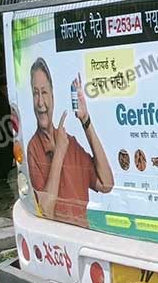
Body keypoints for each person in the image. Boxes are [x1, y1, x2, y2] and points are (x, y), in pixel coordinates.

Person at [26, 58, 114, 227]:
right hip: (58, 246)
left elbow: (106, 183)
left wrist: (86, 120)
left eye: (44, 92)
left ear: (52, 95)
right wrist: (59, 152)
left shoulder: (69, 143)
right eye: (35, 93)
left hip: (83, 239)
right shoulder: (33, 148)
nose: (40, 102)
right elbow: (45, 212)